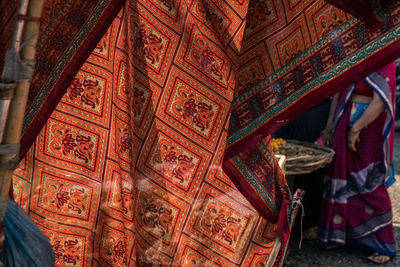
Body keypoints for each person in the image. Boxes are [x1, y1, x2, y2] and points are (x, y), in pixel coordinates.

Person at [319, 62, 397, 264]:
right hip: (343, 118)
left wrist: (356, 129)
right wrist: (328, 128)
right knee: (340, 175)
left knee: (368, 180)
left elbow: (380, 102)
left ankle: (383, 244)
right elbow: (339, 93)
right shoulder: (356, 52)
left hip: (369, 125)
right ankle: (338, 235)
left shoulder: (385, 57)